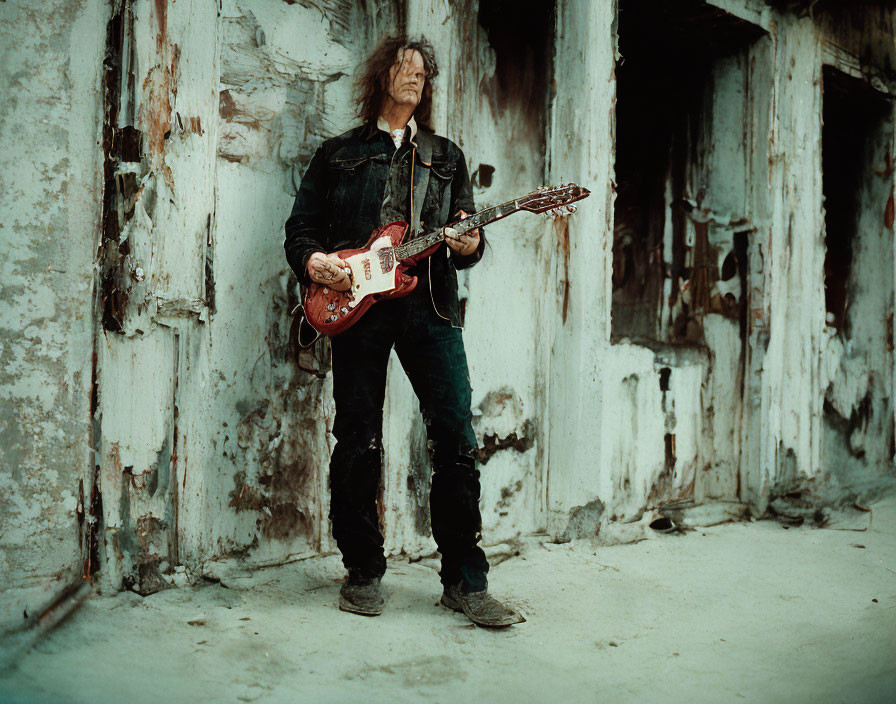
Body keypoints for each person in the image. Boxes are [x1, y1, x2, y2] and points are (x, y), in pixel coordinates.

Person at [284, 36, 522, 627]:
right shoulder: (338, 153)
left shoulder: (446, 157)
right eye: (405, 67)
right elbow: (301, 229)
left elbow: (467, 239)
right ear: (382, 76)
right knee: (358, 436)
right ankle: (362, 570)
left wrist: (469, 242)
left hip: (430, 308)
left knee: (456, 436)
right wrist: (316, 265)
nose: (415, 78)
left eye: (423, 72)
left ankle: (466, 582)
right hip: (357, 306)